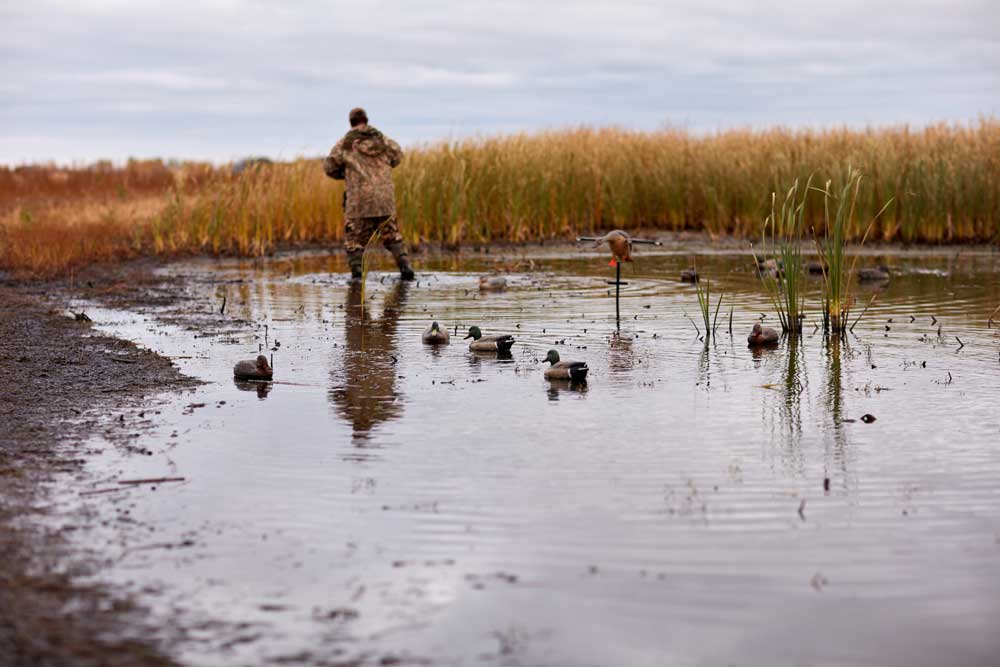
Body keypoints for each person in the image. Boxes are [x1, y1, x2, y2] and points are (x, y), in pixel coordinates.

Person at [324, 107, 414, 281]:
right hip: (384, 199)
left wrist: (344, 174)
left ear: (351, 122)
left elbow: (330, 167)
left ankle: (357, 278)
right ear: (366, 119)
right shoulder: (383, 139)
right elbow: (397, 157)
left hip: (359, 201)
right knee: (392, 235)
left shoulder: (345, 143)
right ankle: (405, 267)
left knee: (354, 241)